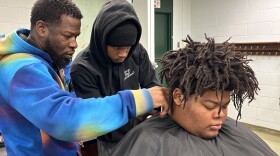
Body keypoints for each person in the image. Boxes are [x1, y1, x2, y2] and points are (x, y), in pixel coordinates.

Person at [0, 0, 168, 155]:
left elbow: (63, 103)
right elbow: (64, 119)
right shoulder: (21, 69)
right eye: (67, 36)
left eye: (76, 37)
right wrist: (139, 100)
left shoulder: (50, 60)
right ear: (42, 29)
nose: (74, 43)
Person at [111, 35, 278, 156]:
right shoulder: (147, 140)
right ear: (178, 97)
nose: (220, 115)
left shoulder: (236, 134)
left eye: (225, 106)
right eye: (210, 106)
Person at [70, 0, 160, 155]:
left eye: (128, 48)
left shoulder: (137, 52)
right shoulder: (82, 68)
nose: (124, 54)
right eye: (118, 48)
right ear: (102, 40)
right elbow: (98, 117)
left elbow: (152, 85)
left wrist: (159, 106)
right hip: (109, 141)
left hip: (140, 133)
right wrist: (139, 107)